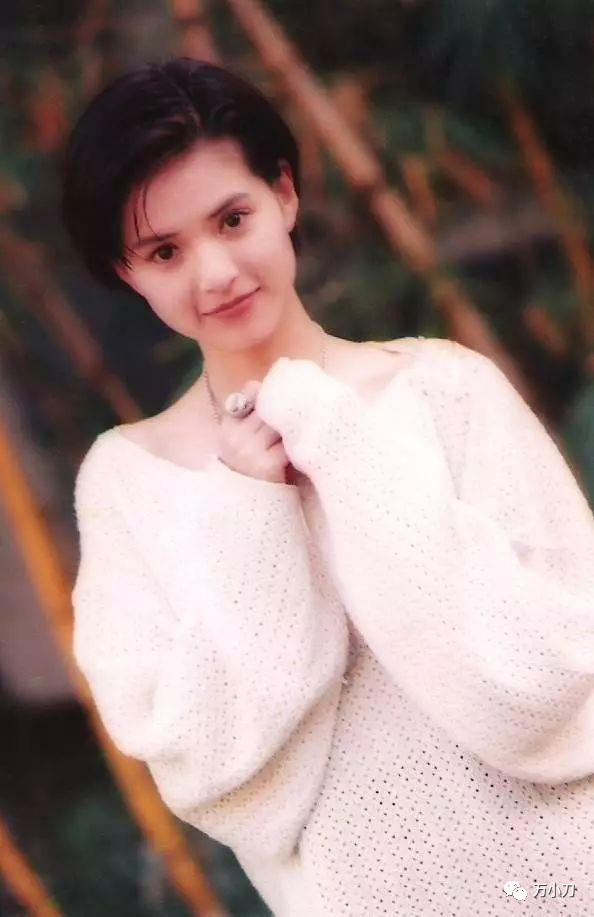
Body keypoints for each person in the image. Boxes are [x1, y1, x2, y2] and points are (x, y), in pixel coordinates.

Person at [62, 57, 594, 915]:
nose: (215, 272)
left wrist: (338, 437)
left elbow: (550, 675)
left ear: (284, 194)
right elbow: (203, 766)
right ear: (127, 273)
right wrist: (250, 511)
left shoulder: (446, 389)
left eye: (232, 219)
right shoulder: (129, 479)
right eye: (164, 251)